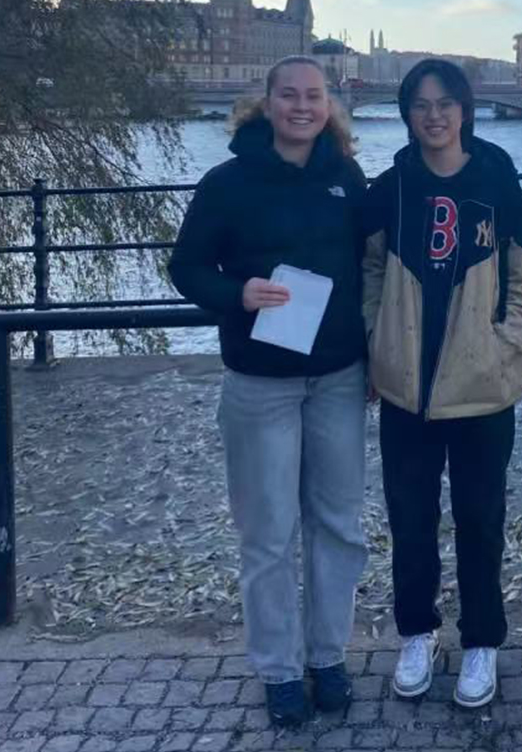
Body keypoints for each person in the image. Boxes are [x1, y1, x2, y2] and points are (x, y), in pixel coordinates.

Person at [169, 56, 369, 729]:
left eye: (314, 96)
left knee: (338, 525)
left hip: (338, 376)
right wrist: (239, 293)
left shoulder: (346, 177)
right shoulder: (227, 183)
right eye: (290, 95)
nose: (302, 107)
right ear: (268, 102)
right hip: (259, 381)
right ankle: (280, 669)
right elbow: (186, 267)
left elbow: (370, 266)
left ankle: (328, 656)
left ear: (328, 105)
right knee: (269, 532)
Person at [362, 59, 522, 709]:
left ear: (465, 110)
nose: (434, 115)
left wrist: (509, 342)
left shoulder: (497, 179)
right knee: (410, 520)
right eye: (421, 104)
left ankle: (481, 641)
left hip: (481, 385)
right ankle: (417, 633)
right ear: (407, 114)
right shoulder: (391, 188)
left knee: (480, 519)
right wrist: (376, 342)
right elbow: (371, 273)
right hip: (406, 388)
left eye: (445, 103)